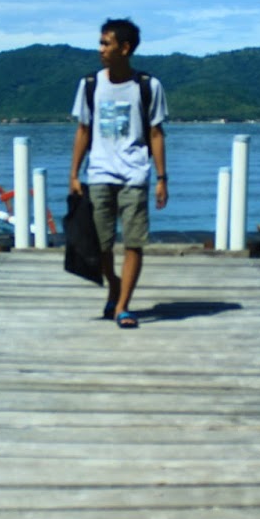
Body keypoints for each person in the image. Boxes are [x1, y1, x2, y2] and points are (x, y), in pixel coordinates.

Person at [69, 18, 168, 328]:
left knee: (134, 243)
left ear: (125, 48)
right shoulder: (90, 85)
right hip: (98, 173)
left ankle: (123, 305)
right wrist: (74, 173)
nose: (100, 49)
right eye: (100, 43)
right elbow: (83, 130)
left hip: (135, 175)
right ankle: (113, 284)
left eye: (106, 43)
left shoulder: (148, 86)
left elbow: (156, 133)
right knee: (98, 246)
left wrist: (162, 179)